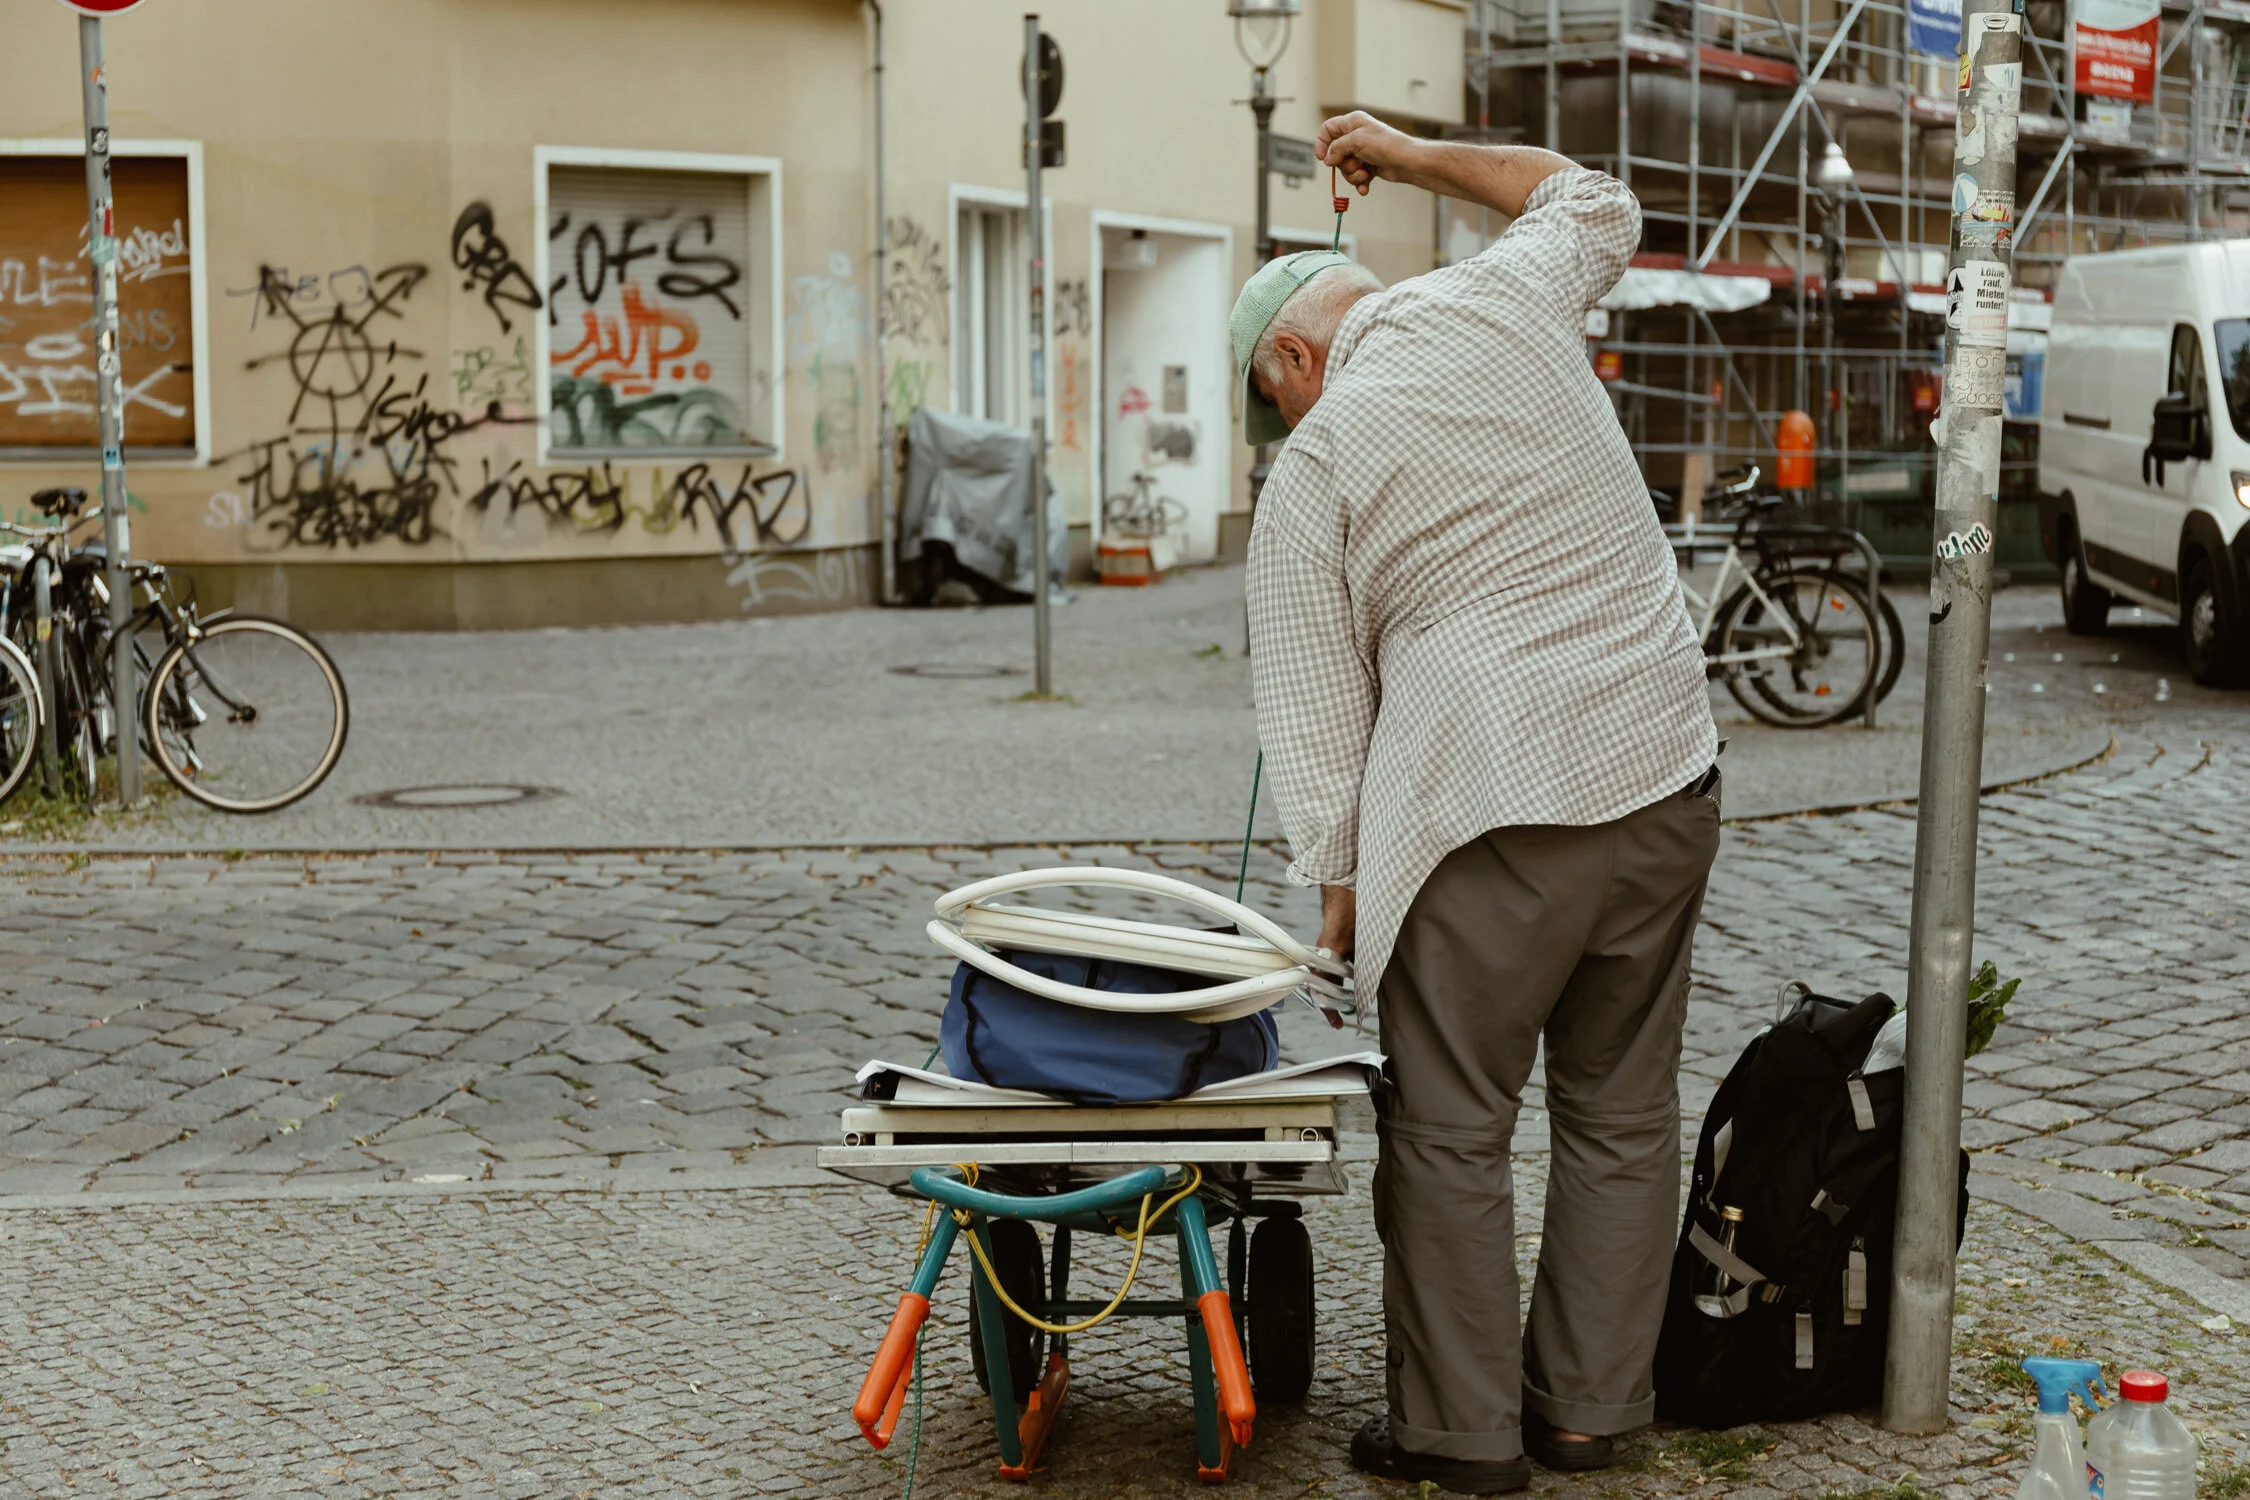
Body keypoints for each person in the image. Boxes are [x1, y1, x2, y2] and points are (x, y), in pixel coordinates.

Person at [1231, 113, 1722, 1495]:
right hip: (1662, 770)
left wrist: (1337, 909)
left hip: (1484, 813)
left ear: (1292, 359)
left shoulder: (1314, 470)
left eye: (1270, 401)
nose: (1282, 425)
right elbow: (1596, 194)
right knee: (1620, 1111)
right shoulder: (1503, 291)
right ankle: (1586, 1413)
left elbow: (1318, 736)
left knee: (1450, 1125)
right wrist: (1404, 148)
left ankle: (1457, 1436)